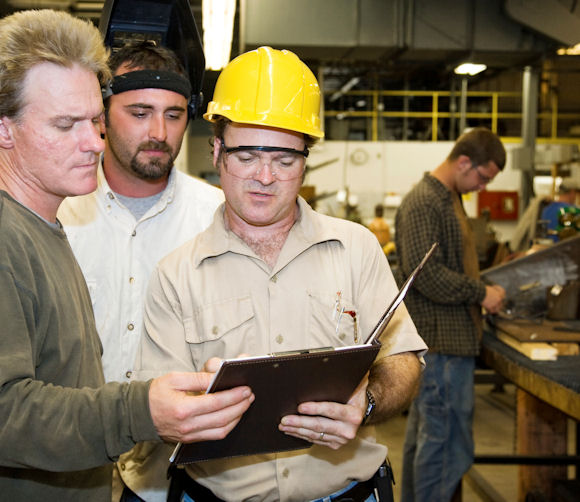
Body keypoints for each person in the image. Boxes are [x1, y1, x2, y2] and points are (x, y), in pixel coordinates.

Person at [0, 10, 253, 502]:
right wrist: (139, 411)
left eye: (93, 120)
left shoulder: (41, 225)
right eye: (66, 125)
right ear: (2, 128)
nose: (93, 142)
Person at [133, 46, 427, 502]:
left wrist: (365, 403)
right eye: (246, 156)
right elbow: (158, 414)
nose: (265, 177)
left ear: (306, 160)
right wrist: (196, 408)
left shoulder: (356, 249)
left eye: (285, 160)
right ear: (216, 151)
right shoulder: (176, 275)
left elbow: (405, 362)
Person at [57, 40, 224, 502]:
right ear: (102, 116)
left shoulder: (217, 217)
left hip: (169, 474)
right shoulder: (59, 215)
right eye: (139, 112)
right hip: (73, 458)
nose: (159, 131)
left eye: (173, 115)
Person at [394, 127, 507, 502]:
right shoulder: (426, 201)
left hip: (450, 343)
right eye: (483, 177)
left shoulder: (449, 198)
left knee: (431, 442)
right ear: (463, 162)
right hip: (440, 346)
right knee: (443, 448)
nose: (482, 186)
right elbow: (424, 275)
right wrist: (482, 293)